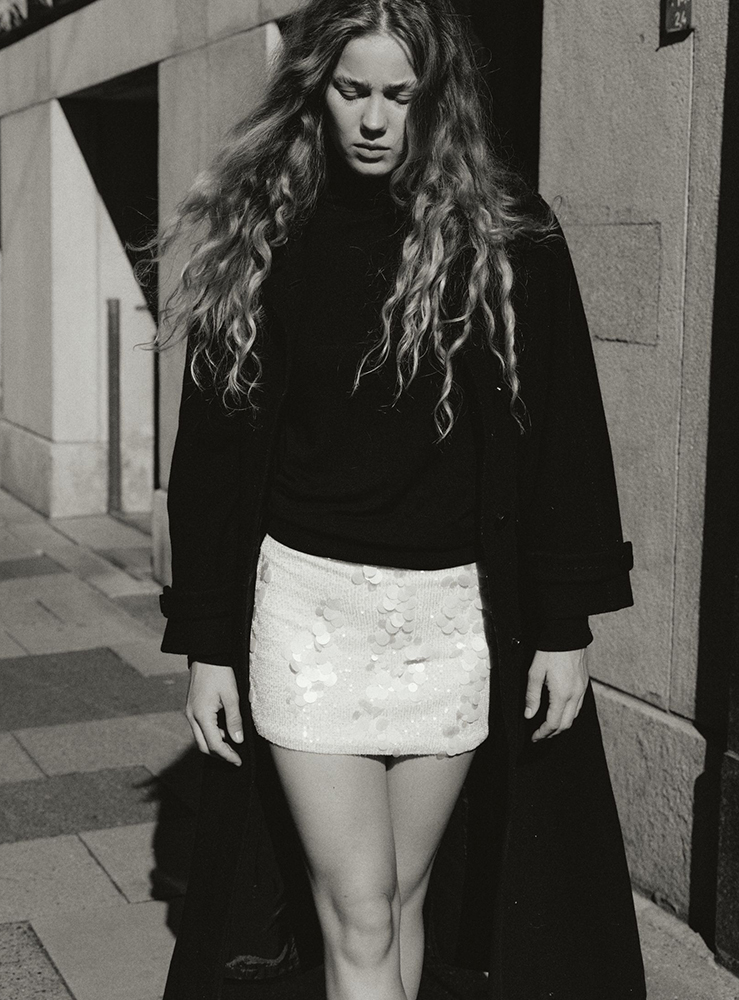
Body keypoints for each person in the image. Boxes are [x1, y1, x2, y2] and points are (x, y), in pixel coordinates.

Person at [156, 1, 646, 998]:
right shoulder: (266, 229)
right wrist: (206, 641)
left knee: (405, 896)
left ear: (437, 98)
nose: (374, 119)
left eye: (399, 94)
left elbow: (559, 434)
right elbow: (210, 457)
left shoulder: (505, 232)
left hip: (451, 621)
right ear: (315, 89)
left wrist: (564, 625)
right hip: (308, 615)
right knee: (361, 909)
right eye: (352, 91)